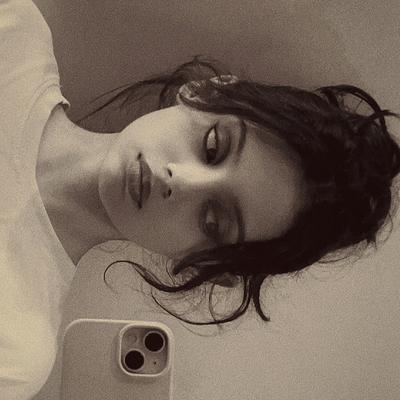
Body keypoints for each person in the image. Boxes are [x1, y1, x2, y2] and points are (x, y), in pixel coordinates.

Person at [2, 1, 400, 399]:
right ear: (207, 92)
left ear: (208, 263)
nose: (179, 182)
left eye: (213, 221)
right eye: (213, 147)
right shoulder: (13, 31)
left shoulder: (18, 348)